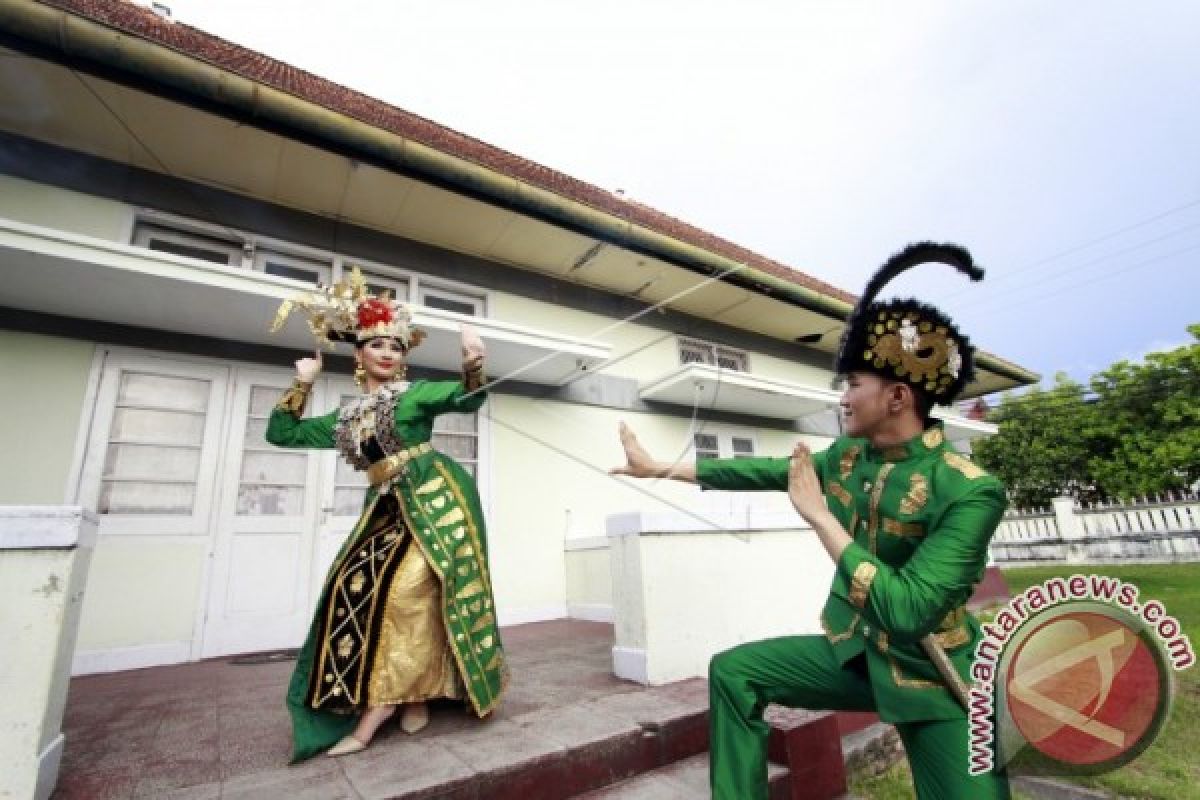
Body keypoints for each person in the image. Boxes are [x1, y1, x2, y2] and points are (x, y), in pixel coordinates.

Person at [612, 243, 1011, 798]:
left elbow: (911, 611)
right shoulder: (846, 458)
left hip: (936, 677)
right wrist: (660, 467)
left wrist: (822, 519)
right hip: (856, 652)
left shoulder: (969, 489)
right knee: (735, 672)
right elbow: (758, 470)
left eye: (853, 385)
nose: (843, 398)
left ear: (898, 396)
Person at [267, 271, 507, 761]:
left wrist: (473, 364)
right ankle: (413, 693)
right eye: (375, 344)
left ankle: (372, 719)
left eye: (395, 347)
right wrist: (301, 383)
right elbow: (282, 434)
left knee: (404, 594)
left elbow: (466, 397)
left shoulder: (414, 396)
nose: (387, 353)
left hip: (435, 503)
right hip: (385, 511)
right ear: (359, 355)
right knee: (348, 587)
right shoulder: (345, 419)